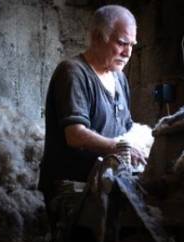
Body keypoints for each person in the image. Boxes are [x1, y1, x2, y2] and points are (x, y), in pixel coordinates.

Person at [38, 5, 147, 196]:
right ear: (97, 37)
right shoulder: (73, 72)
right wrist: (121, 148)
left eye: (132, 45)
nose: (128, 53)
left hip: (105, 182)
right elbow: (75, 135)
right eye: (122, 43)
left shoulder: (119, 78)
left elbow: (126, 128)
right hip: (72, 187)